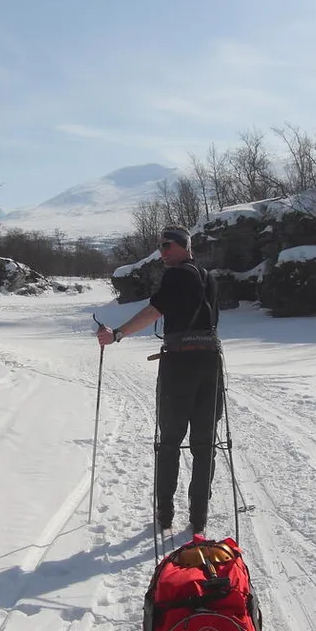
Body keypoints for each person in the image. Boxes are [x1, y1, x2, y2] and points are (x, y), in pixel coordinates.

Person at [97, 225, 222, 533]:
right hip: (211, 363)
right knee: (204, 443)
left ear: (183, 246)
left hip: (180, 365)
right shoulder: (208, 278)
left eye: (167, 246)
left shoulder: (176, 276)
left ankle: (165, 514)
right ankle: (198, 518)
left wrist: (118, 334)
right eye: (161, 247)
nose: (163, 253)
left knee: (169, 441)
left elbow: (154, 311)